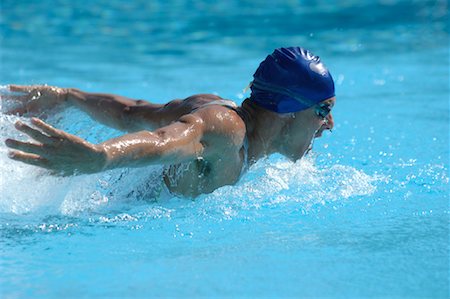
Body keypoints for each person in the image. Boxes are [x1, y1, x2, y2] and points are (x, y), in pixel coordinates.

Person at [2, 47, 335, 197]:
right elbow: (163, 141)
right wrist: (98, 157)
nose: (329, 124)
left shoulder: (211, 105)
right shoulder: (225, 127)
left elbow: (133, 112)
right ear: (289, 109)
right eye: (322, 110)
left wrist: (68, 97)